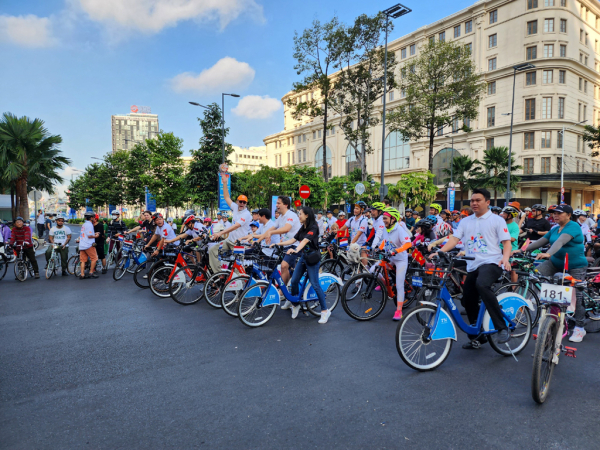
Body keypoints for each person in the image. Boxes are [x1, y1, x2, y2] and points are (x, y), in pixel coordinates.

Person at [433, 188, 513, 348]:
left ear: (487, 202)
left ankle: (501, 327)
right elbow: (454, 239)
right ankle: (477, 335)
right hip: (473, 264)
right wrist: (439, 251)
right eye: (472, 200)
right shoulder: (466, 221)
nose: (474, 203)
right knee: (467, 298)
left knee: (482, 284)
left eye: (478, 200)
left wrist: (505, 258)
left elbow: (506, 242)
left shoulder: (497, 220)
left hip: (492, 262)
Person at [515, 205, 588, 342]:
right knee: (533, 275)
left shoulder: (573, 226)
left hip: (575, 265)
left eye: (559, 213)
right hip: (555, 262)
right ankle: (548, 307)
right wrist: (521, 250)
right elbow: (540, 242)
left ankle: (580, 328)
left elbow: (561, 241)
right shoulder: (555, 229)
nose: (555, 215)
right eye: (554, 213)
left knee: (578, 295)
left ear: (568, 215)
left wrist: (548, 253)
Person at [271, 206, 331, 324]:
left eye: (300, 214)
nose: (299, 216)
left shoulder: (313, 227)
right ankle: (295, 304)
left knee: (315, 284)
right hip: (304, 257)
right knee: (294, 281)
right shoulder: (302, 228)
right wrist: (278, 243)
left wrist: (296, 250)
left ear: (307, 215)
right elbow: (293, 240)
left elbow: (304, 241)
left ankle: (325, 311)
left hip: (312, 258)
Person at [258, 196, 301, 307]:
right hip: (285, 245)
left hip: (295, 245)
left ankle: (282, 292)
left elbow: (286, 229)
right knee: (284, 269)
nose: (276, 205)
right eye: (276, 203)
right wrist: (259, 240)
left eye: (278, 203)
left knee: (283, 266)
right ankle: (289, 293)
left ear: (286, 205)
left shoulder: (291, 215)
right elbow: (271, 228)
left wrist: (271, 234)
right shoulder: (280, 217)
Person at [209, 174, 252, 274]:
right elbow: (226, 196)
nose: (241, 204)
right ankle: (218, 275)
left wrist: (220, 234)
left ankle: (242, 287)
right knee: (212, 250)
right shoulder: (235, 207)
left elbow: (236, 226)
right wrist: (224, 183)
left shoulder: (246, 214)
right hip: (229, 241)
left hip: (238, 244)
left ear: (246, 204)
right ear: (237, 201)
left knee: (239, 268)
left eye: (244, 202)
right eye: (240, 201)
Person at [379, 207, 412, 320]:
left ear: (393, 219)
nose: (383, 220)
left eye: (385, 218)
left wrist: (396, 251)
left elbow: (408, 244)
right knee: (374, 269)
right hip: (390, 256)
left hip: (400, 259)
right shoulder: (386, 228)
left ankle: (399, 310)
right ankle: (384, 284)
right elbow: (385, 241)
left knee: (399, 285)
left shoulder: (400, 229)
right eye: (383, 218)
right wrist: (379, 248)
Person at [79, 211, 100, 279]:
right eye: (94, 217)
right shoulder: (89, 224)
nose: (94, 218)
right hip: (88, 245)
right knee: (94, 258)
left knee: (83, 260)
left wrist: (94, 233)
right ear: (91, 218)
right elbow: (89, 236)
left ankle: (82, 274)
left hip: (82, 245)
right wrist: (96, 236)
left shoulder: (84, 224)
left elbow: (86, 234)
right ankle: (91, 272)